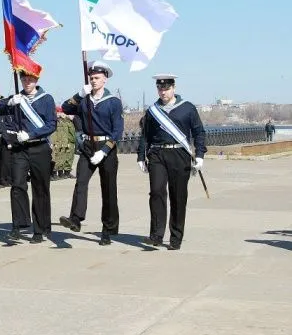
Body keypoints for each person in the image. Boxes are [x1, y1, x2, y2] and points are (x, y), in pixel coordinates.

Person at [137, 74, 207, 250]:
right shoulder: (152, 111)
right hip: (157, 154)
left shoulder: (187, 108)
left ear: (173, 88)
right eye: (160, 89)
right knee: (156, 192)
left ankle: (176, 237)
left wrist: (199, 155)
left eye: (166, 88)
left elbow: (199, 132)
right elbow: (145, 135)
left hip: (179, 154)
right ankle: (156, 235)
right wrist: (140, 156)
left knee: (178, 196)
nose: (163, 92)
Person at [59, 61, 123, 246]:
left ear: (105, 80)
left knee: (108, 189)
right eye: (91, 78)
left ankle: (108, 229)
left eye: (97, 78)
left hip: (106, 148)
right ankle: (76, 218)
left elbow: (117, 131)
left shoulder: (113, 102)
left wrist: (104, 151)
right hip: (87, 146)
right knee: (81, 182)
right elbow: (66, 108)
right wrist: (79, 95)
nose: (93, 81)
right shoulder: (84, 99)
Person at [0, 72, 56, 244]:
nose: (27, 82)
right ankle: (18, 225)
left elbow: (51, 124)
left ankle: (40, 228)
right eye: (24, 79)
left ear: (36, 80)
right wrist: (9, 102)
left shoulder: (46, 99)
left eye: (31, 79)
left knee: (40, 188)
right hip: (20, 149)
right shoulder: (17, 98)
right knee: (17, 185)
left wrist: (32, 134)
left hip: (39, 146)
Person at [50, 106, 76, 180]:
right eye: (59, 112)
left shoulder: (66, 121)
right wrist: (54, 142)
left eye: (62, 112)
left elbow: (69, 133)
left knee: (64, 158)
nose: (62, 114)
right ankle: (54, 173)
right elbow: (55, 133)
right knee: (55, 158)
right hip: (57, 142)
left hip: (66, 141)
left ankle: (64, 173)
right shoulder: (55, 121)